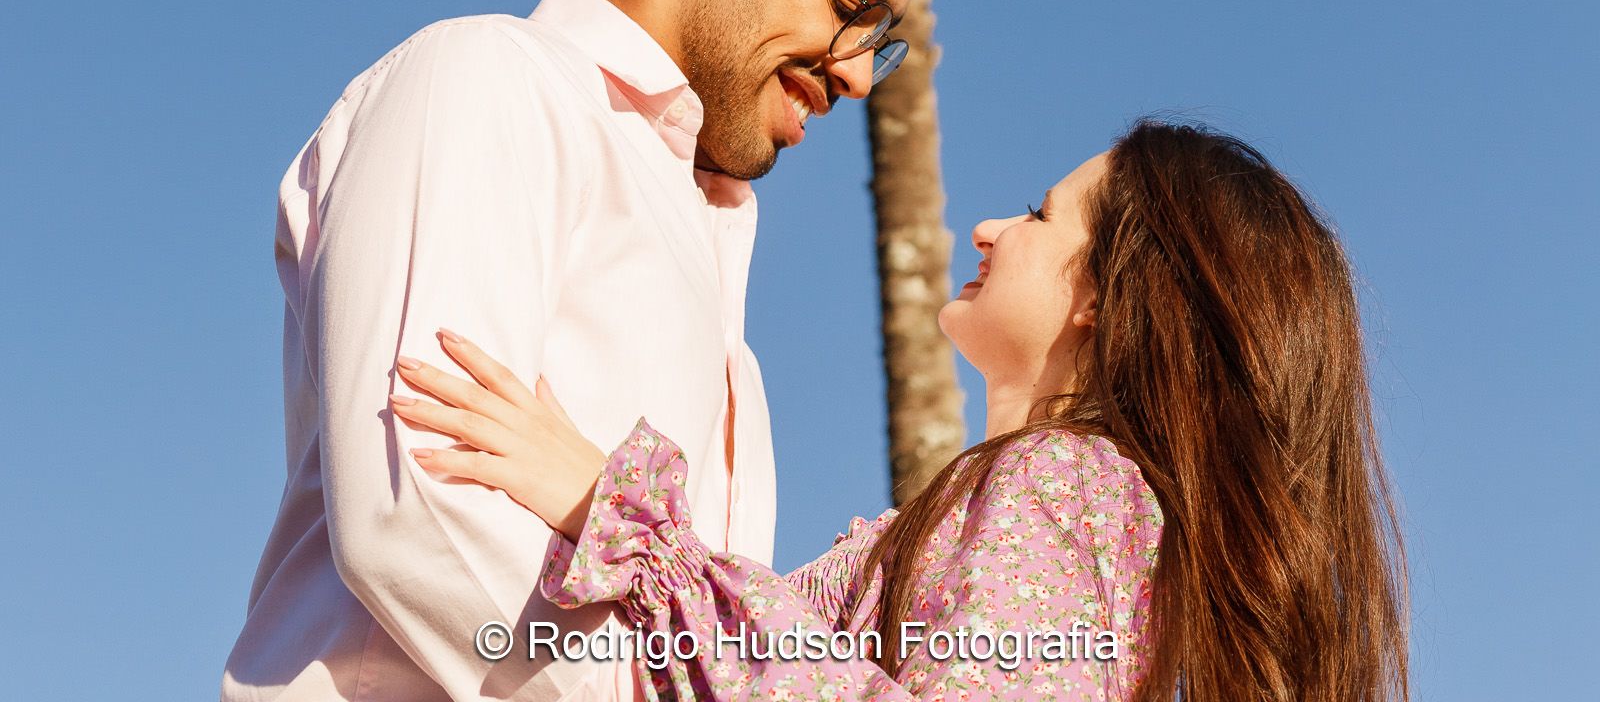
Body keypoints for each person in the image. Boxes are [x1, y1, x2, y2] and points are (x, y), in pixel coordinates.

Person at [220, 0, 925, 702]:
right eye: (845, 3)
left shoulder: (729, 336)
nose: (858, 77)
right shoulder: (487, 81)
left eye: (880, 41)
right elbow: (417, 513)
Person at [391, 123, 1408, 702]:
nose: (989, 227)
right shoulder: (1107, 518)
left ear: (1104, 295)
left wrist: (618, 518)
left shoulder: (1062, 485)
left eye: (1041, 215)